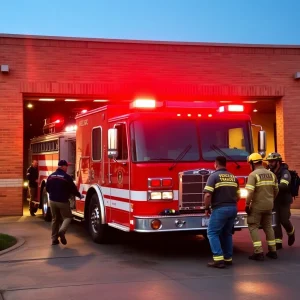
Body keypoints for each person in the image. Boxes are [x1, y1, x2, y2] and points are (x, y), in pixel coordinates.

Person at [203, 156, 240, 268]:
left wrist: (206, 208)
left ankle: (218, 259)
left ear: (216, 164)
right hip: (233, 208)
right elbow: (238, 195)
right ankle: (228, 258)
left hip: (220, 209)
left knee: (212, 233)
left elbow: (208, 194)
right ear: (226, 164)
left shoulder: (213, 176)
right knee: (227, 233)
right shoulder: (233, 177)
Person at [245, 153, 279, 261]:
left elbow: (250, 192)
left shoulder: (253, 175)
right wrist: (270, 199)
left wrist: (247, 204)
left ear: (252, 163)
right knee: (268, 226)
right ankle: (273, 251)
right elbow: (276, 190)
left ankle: (258, 252)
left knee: (253, 226)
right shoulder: (271, 174)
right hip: (269, 205)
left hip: (257, 205)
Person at [46, 160, 83, 246]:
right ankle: (62, 231)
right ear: (62, 166)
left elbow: (47, 189)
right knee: (68, 217)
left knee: (55, 219)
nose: (67, 168)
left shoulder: (51, 176)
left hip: (52, 201)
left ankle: (54, 239)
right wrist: (79, 195)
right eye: (66, 166)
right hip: (62, 201)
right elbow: (73, 189)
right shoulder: (66, 177)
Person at [265, 152, 295, 249]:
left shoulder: (285, 173)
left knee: (284, 220)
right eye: (269, 161)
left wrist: (270, 186)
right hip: (274, 200)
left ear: (278, 162)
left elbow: (283, 186)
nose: (270, 163)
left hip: (284, 200)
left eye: (272, 161)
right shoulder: (269, 171)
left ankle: (291, 233)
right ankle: (278, 242)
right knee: (275, 222)